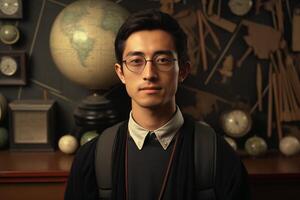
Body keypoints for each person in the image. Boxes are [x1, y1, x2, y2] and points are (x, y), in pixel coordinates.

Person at [65, 9, 250, 200]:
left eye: (162, 60)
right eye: (136, 61)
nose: (149, 74)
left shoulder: (218, 155)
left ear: (183, 71)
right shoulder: (93, 158)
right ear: (121, 73)